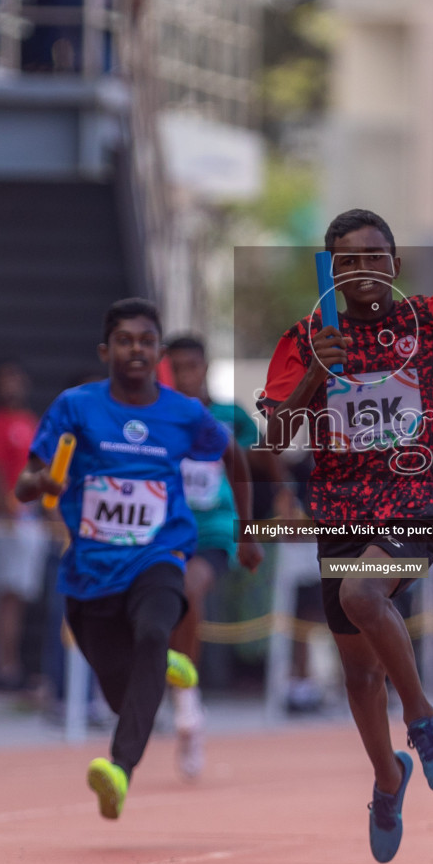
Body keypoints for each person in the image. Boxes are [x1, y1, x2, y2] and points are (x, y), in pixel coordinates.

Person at [259, 208, 433, 863]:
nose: (366, 269)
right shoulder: (304, 339)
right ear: (331, 271)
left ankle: (422, 721)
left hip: (415, 501)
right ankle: (388, 780)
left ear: (395, 262)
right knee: (358, 673)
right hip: (339, 513)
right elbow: (273, 442)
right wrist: (312, 378)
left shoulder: (425, 318)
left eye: (377, 256)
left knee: (363, 599)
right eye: (350, 260)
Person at [14, 298, 262, 822]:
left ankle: (119, 769)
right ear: (106, 350)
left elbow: (234, 456)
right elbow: (24, 483)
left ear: (158, 354)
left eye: (147, 341)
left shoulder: (183, 413)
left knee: (154, 630)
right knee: (122, 690)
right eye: (125, 340)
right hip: (90, 573)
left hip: (160, 553)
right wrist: (44, 482)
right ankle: (164, 667)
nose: (136, 349)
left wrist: (247, 532)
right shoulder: (75, 407)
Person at [163, 333, 272, 780]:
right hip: (163, 530)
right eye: (178, 368)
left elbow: (259, 462)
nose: (186, 375)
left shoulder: (229, 417)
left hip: (213, 531)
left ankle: (188, 705)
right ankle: (179, 698)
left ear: (205, 367)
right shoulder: (159, 416)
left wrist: (253, 529)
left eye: (192, 366)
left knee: (190, 589)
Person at [0, 358, 48, 692]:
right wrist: (6, 510)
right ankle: (4, 665)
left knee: (21, 595)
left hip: (30, 515)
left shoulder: (30, 421)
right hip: (9, 517)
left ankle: (16, 662)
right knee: (6, 593)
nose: (11, 387)